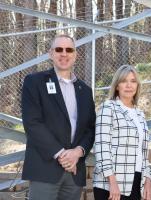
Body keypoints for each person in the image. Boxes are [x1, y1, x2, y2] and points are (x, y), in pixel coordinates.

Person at [21, 34, 96, 200]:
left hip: (74, 172)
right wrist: (63, 155)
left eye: (69, 50)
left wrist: (77, 152)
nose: (64, 54)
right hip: (45, 169)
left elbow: (90, 128)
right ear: (51, 53)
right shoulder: (34, 82)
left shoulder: (85, 90)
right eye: (59, 49)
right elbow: (32, 123)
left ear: (75, 55)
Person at [93, 65, 151, 200]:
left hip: (136, 183)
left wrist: (147, 179)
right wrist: (112, 182)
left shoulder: (140, 114)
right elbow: (102, 148)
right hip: (111, 184)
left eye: (133, 81)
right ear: (117, 85)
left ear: (137, 85)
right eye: (124, 81)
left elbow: (143, 153)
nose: (129, 85)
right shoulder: (108, 107)